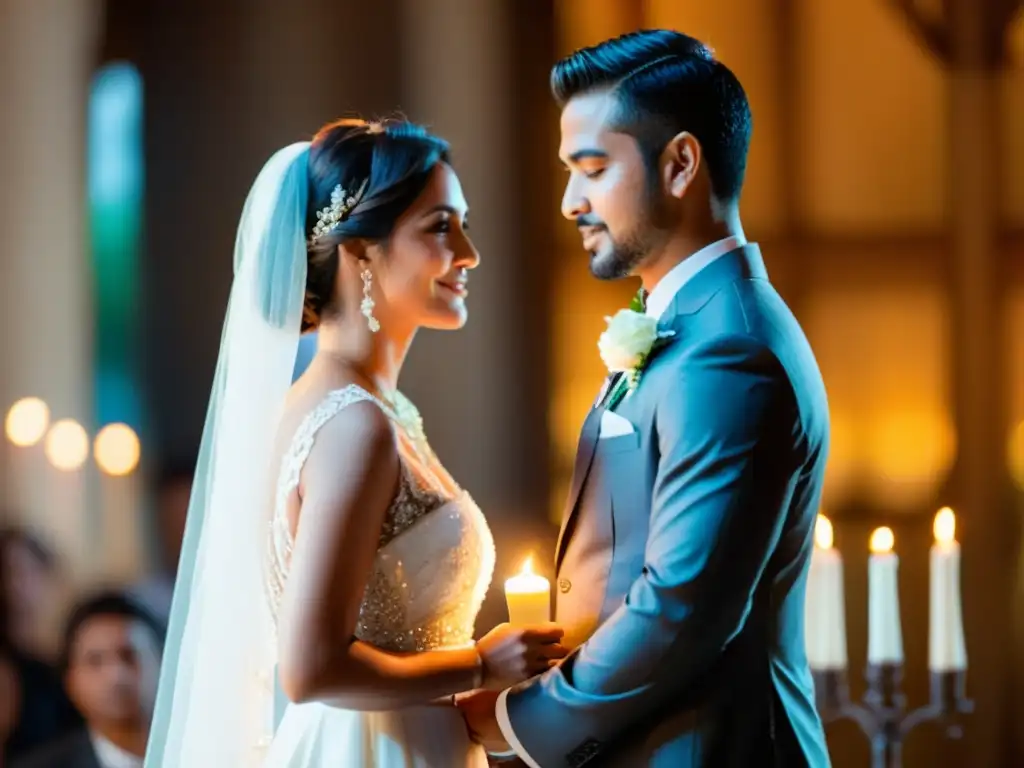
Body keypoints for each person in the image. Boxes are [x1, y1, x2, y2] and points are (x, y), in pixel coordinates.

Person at [145, 118, 566, 768]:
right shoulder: (354, 425)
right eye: (439, 226)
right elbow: (311, 668)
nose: (469, 252)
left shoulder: (372, 409)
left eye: (463, 222)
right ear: (361, 250)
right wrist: (481, 663)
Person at [462, 30, 832, 766]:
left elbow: (681, 608)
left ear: (680, 164)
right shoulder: (684, 325)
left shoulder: (730, 349)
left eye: (592, 169)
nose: (570, 202)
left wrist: (515, 719)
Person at [13, 592, 164, 768]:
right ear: (70, 682)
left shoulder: (199, 748)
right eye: (95, 661)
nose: (116, 676)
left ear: (162, 663)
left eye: (129, 656)